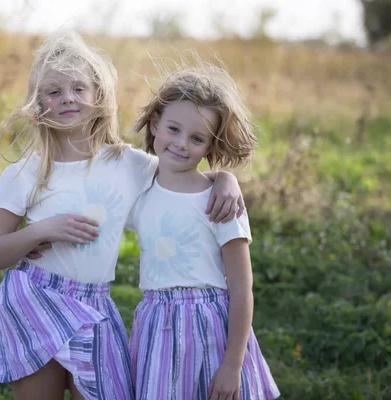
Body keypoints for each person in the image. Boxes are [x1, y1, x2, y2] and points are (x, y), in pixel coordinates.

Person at [0, 31, 244, 400]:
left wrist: (225, 179)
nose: (67, 97)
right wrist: (39, 231)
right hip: (36, 299)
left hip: (95, 303)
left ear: (99, 96)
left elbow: (183, 172)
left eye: (78, 88)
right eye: (53, 91)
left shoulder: (128, 163)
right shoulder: (25, 172)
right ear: (39, 104)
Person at [127, 64, 281, 400]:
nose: (181, 144)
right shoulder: (138, 191)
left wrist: (232, 364)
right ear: (155, 124)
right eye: (173, 129)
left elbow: (241, 287)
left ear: (210, 147)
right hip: (156, 326)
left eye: (196, 138)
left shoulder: (222, 203)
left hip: (210, 327)